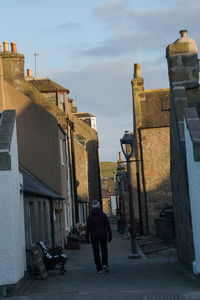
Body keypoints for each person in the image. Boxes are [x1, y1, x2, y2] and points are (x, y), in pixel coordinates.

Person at [86, 200, 112, 274]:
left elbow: (88, 228)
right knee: (104, 250)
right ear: (99, 206)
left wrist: (87, 237)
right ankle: (105, 264)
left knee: (96, 252)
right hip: (103, 235)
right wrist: (110, 235)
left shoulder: (90, 216)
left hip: (94, 236)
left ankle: (99, 268)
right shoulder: (103, 215)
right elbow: (108, 226)